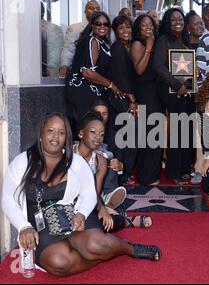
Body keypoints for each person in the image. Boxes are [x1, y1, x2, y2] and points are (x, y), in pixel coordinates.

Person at [1, 113, 161, 277]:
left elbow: (89, 193)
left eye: (61, 132)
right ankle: (102, 256)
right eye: (50, 131)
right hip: (41, 224)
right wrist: (23, 226)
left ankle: (129, 248)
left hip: (75, 215)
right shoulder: (22, 163)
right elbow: (7, 198)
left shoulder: (76, 162)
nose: (56, 137)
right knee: (58, 263)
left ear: (67, 137)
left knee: (97, 245)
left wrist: (82, 213)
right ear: (41, 133)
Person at [75, 112, 153, 231]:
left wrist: (101, 209)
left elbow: (94, 192)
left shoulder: (101, 160)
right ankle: (117, 215)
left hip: (86, 202)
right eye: (93, 132)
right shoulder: (68, 154)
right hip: (66, 203)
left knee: (102, 223)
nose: (98, 138)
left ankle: (125, 221)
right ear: (81, 133)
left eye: (101, 135)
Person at [152, 8, 196, 183]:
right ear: (167, 23)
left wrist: (194, 77)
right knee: (178, 130)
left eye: (180, 18)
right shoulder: (164, 40)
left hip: (186, 91)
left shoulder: (184, 40)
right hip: (171, 90)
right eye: (173, 19)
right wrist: (177, 85)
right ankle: (174, 172)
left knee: (187, 128)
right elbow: (158, 66)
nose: (178, 22)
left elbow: (186, 69)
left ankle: (185, 168)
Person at [65, 11, 114, 133]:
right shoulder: (92, 40)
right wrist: (111, 85)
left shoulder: (101, 43)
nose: (102, 27)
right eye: (98, 24)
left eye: (106, 24)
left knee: (91, 127)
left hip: (91, 90)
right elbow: (88, 72)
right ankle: (83, 152)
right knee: (89, 127)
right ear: (92, 25)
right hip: (83, 90)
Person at [130, 14, 163, 186]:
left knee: (155, 134)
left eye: (150, 24)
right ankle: (146, 176)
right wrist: (148, 48)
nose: (148, 27)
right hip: (144, 93)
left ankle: (150, 174)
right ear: (138, 28)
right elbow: (139, 70)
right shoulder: (137, 44)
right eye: (144, 25)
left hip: (155, 92)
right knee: (150, 134)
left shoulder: (156, 42)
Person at [110, 15, 138, 185]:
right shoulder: (118, 48)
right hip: (122, 100)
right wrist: (132, 100)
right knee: (129, 138)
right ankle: (124, 174)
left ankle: (124, 173)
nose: (125, 31)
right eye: (121, 28)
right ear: (115, 31)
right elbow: (121, 77)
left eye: (128, 27)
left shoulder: (127, 47)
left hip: (124, 99)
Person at [59, 0, 101, 78]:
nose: (95, 11)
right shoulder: (75, 28)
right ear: (85, 11)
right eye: (91, 8)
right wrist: (65, 65)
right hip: (80, 73)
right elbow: (68, 49)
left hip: (101, 74)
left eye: (98, 9)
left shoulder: (107, 30)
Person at [41, 2, 64, 78]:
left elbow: (55, 59)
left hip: (47, 76)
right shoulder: (25, 30)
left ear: (42, 11)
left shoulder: (52, 28)